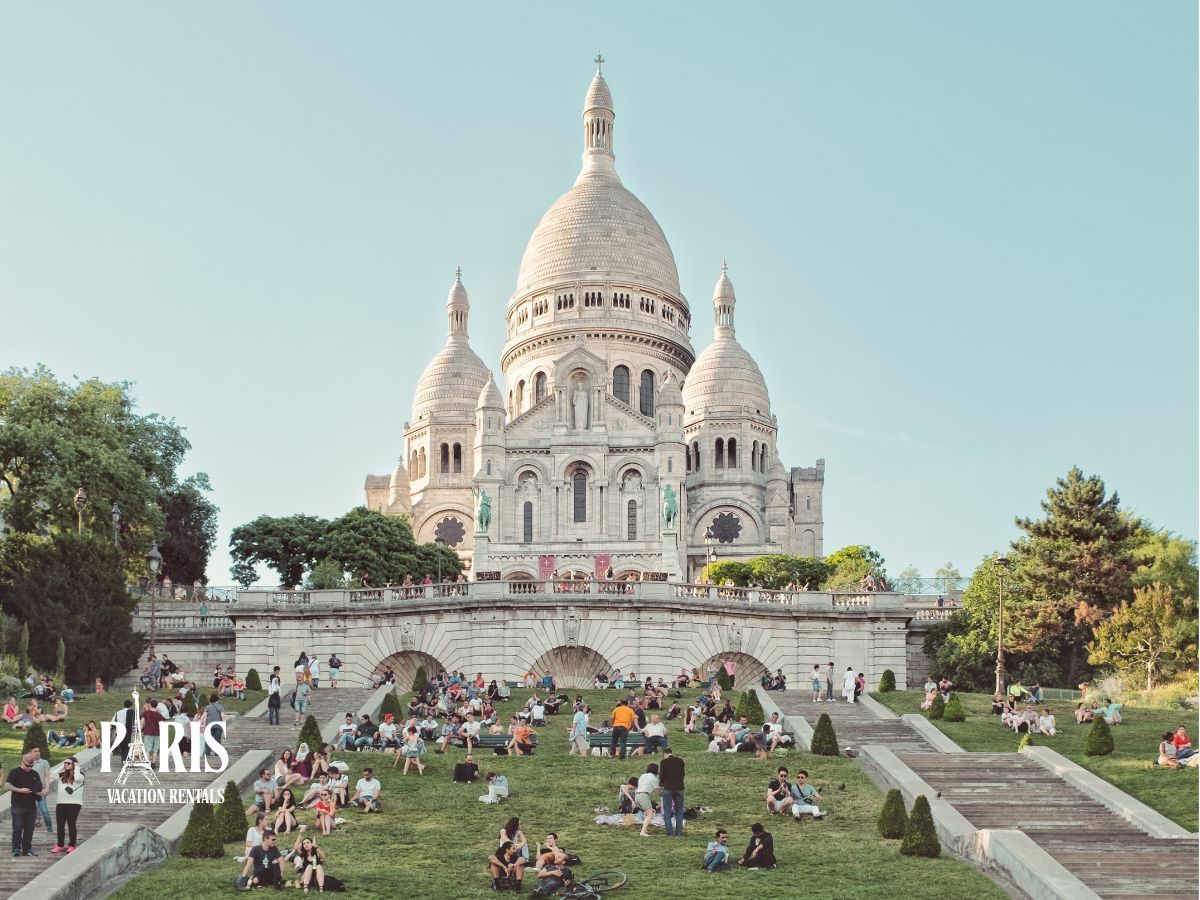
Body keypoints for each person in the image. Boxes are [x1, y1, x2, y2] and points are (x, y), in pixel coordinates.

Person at [7, 752, 43, 857]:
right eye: (27, 765)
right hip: (18, 805)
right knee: (17, 827)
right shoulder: (15, 772)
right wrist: (19, 790)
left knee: (29, 829)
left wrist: (40, 792)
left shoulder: (35, 774)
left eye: (31, 766)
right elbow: (7, 785)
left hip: (31, 806)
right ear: (22, 761)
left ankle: (27, 849)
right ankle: (16, 848)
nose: (29, 768)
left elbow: (38, 789)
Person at [49, 756, 84, 853]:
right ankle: (60, 845)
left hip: (74, 803)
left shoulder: (80, 775)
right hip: (61, 803)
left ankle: (72, 845)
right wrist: (62, 766)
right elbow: (51, 775)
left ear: (74, 764)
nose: (66, 765)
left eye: (68, 763)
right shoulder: (61, 775)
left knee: (71, 824)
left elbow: (77, 778)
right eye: (65, 763)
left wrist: (76, 767)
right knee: (60, 825)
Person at [659, 747, 685, 837]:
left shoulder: (663, 762)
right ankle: (679, 832)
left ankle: (669, 833)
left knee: (667, 811)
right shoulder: (680, 761)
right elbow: (683, 774)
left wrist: (661, 785)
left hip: (668, 788)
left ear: (665, 754)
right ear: (671, 753)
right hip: (679, 788)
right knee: (679, 811)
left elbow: (661, 776)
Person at [29, 747, 52, 834]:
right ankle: (36, 822)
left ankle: (49, 828)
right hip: (30, 791)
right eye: (35, 751)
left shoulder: (44, 762)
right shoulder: (28, 762)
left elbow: (47, 776)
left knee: (44, 810)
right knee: (32, 808)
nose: (37, 753)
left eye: (38, 751)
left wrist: (47, 788)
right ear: (31, 753)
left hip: (41, 790)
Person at [635, 762, 660, 837]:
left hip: (637, 795)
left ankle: (644, 828)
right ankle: (642, 832)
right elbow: (657, 792)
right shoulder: (654, 778)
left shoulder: (643, 775)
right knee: (650, 814)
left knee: (647, 813)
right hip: (643, 795)